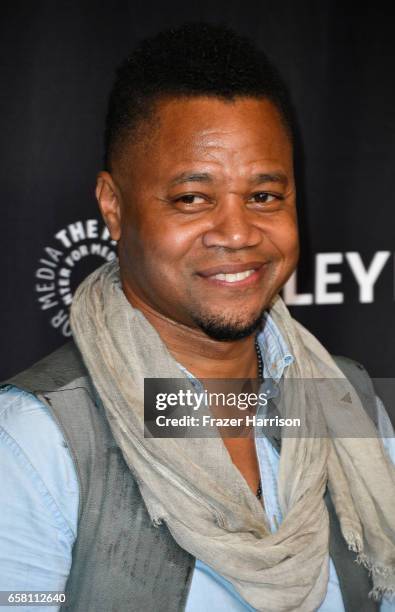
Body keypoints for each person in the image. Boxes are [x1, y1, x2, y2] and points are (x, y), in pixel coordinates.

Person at [0, 23, 394, 612]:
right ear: (114, 207)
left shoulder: (347, 400)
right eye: (192, 198)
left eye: (264, 196)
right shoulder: (35, 440)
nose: (237, 233)